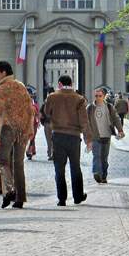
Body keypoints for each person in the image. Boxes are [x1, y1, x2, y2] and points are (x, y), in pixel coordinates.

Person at [43, 75, 92, 206]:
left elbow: (47, 112)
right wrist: (88, 139)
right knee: (75, 167)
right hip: (74, 136)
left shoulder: (52, 97)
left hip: (58, 135)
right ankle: (77, 196)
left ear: (59, 84)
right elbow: (84, 121)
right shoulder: (79, 99)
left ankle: (62, 199)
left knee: (59, 168)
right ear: (72, 83)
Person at [0, 60, 34, 209]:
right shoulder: (21, 86)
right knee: (18, 164)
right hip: (22, 130)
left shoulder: (2, 87)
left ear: (3, 72)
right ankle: (20, 198)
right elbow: (30, 109)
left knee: (3, 161)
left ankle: (9, 190)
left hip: (7, 128)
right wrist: (29, 128)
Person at [87, 87, 124, 184]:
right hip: (95, 136)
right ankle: (96, 173)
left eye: (100, 96)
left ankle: (103, 176)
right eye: (96, 96)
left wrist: (120, 130)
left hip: (106, 135)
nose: (98, 98)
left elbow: (116, 119)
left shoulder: (109, 107)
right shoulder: (90, 108)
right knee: (97, 156)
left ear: (103, 96)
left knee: (104, 158)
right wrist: (87, 137)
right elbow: (85, 123)